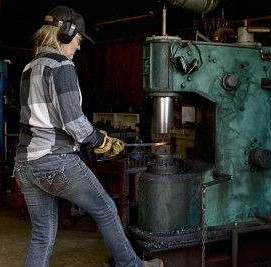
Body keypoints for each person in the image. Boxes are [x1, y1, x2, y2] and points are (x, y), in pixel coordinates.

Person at [13, 6, 163, 267]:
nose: (79, 47)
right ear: (66, 33)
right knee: (106, 211)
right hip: (55, 161)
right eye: (79, 39)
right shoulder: (61, 65)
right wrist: (102, 142)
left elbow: (46, 116)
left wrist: (94, 134)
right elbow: (73, 123)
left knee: (41, 235)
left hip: (26, 165)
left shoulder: (30, 66)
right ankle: (132, 266)